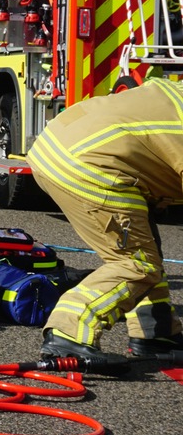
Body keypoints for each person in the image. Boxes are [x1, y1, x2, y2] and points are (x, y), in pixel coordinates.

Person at [28, 78, 183, 364]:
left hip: (59, 145)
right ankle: (68, 333)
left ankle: (157, 331)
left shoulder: (176, 94)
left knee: (146, 248)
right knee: (137, 263)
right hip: (89, 164)